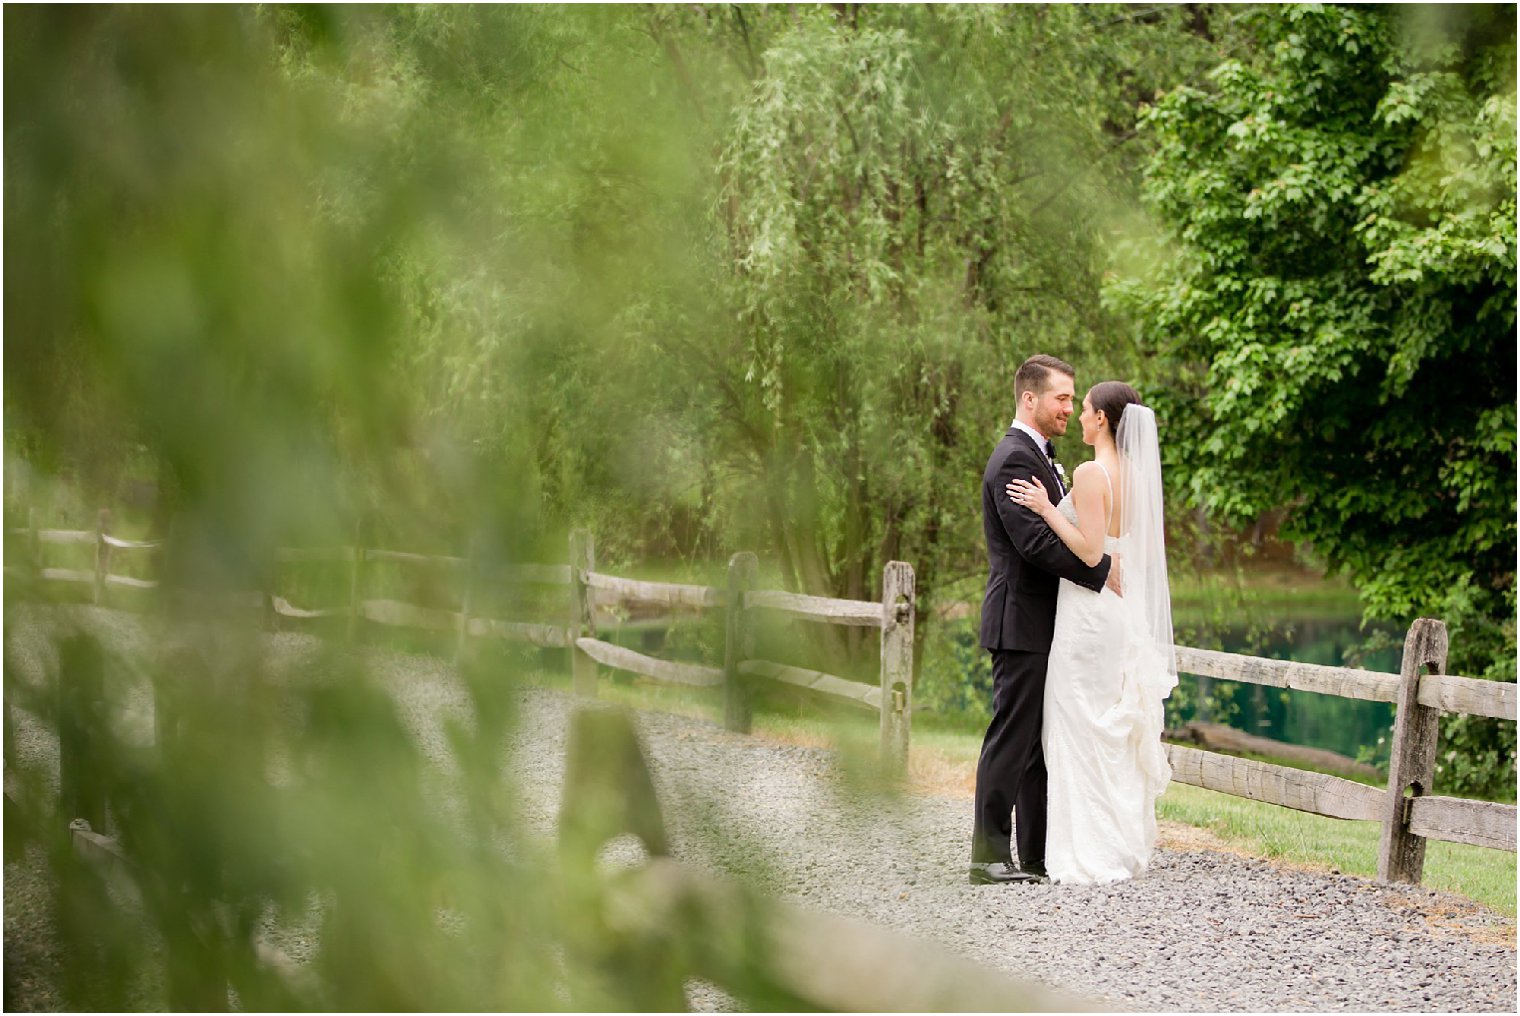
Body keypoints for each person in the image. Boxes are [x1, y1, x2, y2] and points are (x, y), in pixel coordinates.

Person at [1005, 381, 1178, 884]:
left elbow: (1089, 552)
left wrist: (1045, 511)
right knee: (1106, 722)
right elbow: (1130, 553)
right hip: (1121, 614)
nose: (1077, 417)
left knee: (1076, 719)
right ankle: (1118, 842)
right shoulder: (1137, 476)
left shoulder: (1091, 472)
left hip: (1089, 612)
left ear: (1102, 418)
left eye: (1083, 410)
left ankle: (1088, 851)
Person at [969, 355, 1113, 886]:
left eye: (1074, 400)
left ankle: (1034, 855)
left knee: (1035, 742)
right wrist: (1101, 571)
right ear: (1030, 399)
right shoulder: (1013, 459)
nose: (1069, 409)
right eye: (1062, 399)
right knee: (1011, 737)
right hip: (1019, 620)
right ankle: (987, 857)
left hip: (1042, 621)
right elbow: (1033, 545)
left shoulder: (1039, 457)